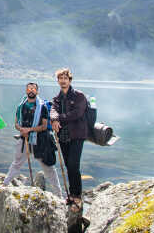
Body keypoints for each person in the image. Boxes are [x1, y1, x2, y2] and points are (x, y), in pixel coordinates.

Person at [2, 82, 62, 197]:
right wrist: (22, 130)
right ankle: (4, 185)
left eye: (34, 89)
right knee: (17, 163)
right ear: (26, 91)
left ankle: (59, 194)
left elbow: (44, 126)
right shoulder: (21, 106)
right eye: (29, 88)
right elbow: (16, 123)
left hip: (40, 141)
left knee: (48, 168)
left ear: (37, 92)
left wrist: (28, 130)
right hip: (24, 139)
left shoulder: (42, 107)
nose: (31, 90)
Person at [50, 68, 88, 208]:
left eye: (65, 78)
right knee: (67, 165)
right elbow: (53, 109)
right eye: (61, 78)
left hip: (77, 135)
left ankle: (77, 195)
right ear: (58, 81)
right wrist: (54, 119)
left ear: (70, 80)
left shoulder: (79, 96)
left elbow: (77, 114)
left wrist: (59, 118)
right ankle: (71, 195)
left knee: (73, 165)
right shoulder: (57, 98)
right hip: (64, 135)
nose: (63, 81)